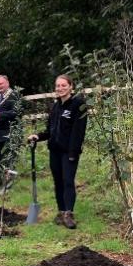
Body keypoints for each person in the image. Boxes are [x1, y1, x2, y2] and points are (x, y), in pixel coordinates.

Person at [28, 75, 89, 229]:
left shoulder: (78, 105)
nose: (60, 88)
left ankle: (69, 214)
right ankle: (61, 212)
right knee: (58, 182)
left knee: (68, 181)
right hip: (54, 151)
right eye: (57, 86)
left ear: (70, 87)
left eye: (63, 85)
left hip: (69, 152)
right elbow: (50, 131)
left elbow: (78, 132)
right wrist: (38, 136)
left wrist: (73, 153)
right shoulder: (55, 107)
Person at [0, 75, 23, 194]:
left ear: (7, 83)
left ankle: (8, 187)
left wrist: (0, 115)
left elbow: (17, 112)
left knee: (8, 160)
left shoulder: (13, 96)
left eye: (1, 84)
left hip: (9, 133)